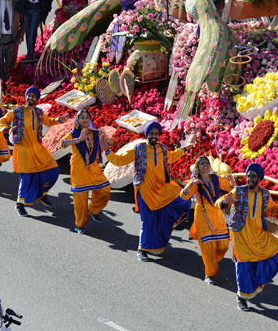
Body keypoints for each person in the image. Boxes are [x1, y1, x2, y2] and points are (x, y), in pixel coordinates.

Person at [105, 121, 192, 261]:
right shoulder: (138, 149)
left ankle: (160, 238)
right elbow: (119, 160)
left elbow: (172, 157)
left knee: (182, 196)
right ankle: (141, 249)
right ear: (147, 135)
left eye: (156, 133)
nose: (154, 136)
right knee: (148, 221)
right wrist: (107, 151)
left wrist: (185, 149)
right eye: (151, 133)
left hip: (161, 189)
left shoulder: (162, 149)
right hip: (145, 191)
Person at [216, 162, 278, 311]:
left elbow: (271, 208)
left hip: (258, 234)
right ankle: (241, 297)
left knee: (277, 250)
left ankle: (255, 284)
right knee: (243, 264)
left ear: (259, 179)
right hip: (240, 233)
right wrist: (226, 201)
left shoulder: (265, 194)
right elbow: (218, 202)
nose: (250, 179)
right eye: (248, 176)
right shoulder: (238, 191)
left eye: (253, 176)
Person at [0, 86, 67, 216]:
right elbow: (1, 121)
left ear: (37, 99)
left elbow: (49, 121)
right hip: (23, 149)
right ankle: (20, 204)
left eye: (33, 96)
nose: (30, 98)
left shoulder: (39, 113)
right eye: (29, 95)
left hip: (37, 147)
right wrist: (8, 129)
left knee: (53, 170)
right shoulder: (17, 111)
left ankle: (42, 193)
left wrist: (59, 120)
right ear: (26, 97)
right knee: (27, 177)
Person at [180, 156, 234, 284]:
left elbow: (230, 188)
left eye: (206, 163)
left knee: (224, 245)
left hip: (217, 215)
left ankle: (212, 261)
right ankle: (209, 274)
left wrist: (232, 181)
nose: (205, 165)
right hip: (203, 217)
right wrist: (192, 184)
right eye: (202, 164)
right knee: (207, 248)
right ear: (198, 167)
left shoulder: (215, 179)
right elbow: (183, 195)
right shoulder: (195, 181)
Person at [60, 110, 112, 234]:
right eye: (82, 117)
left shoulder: (95, 132)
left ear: (90, 120)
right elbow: (63, 143)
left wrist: (109, 141)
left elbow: (107, 140)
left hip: (94, 169)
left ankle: (93, 210)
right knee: (81, 200)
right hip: (79, 170)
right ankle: (80, 224)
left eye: (86, 117)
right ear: (77, 120)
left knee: (105, 190)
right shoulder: (73, 133)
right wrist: (77, 140)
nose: (84, 120)